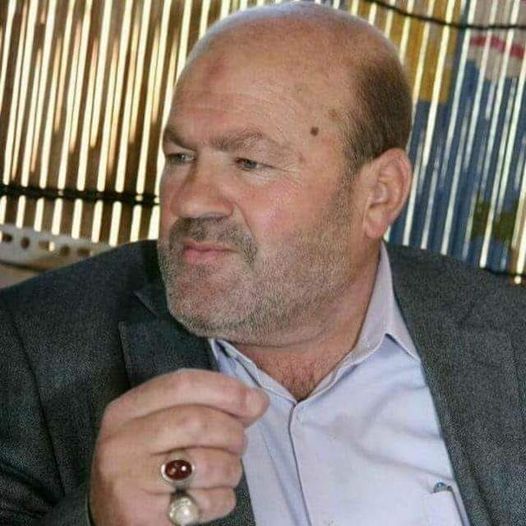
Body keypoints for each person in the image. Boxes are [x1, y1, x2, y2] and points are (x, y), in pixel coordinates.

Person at [1, 2, 525, 525]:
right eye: (180, 157)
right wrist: (97, 518)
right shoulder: (36, 346)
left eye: (249, 162)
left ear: (379, 194)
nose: (191, 200)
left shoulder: (509, 341)